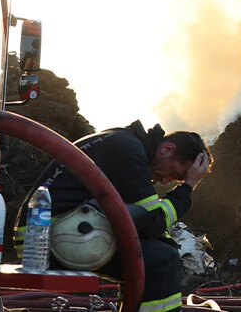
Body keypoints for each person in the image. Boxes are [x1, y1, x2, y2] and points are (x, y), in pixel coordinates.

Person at [14, 120, 213, 312]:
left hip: (52, 233)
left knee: (156, 253)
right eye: (174, 173)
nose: (166, 181)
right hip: (47, 241)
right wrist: (187, 187)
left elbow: (144, 222)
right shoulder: (129, 152)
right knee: (162, 260)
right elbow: (154, 221)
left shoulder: (124, 142)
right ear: (167, 149)